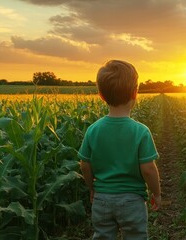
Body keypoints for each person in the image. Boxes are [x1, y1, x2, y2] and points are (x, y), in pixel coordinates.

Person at [78, 59, 161, 240]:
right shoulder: (140, 131)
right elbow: (148, 169)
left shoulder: (93, 129)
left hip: (102, 200)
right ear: (135, 93)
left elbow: (85, 165)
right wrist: (157, 193)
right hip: (132, 201)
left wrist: (92, 188)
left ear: (101, 95)